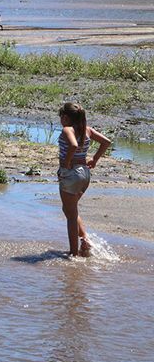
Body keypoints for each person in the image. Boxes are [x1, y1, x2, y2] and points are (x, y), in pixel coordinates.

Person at [56, 103, 112, 257]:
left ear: (65, 117)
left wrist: (67, 162)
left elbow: (73, 145)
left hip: (71, 174)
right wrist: (94, 159)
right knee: (70, 209)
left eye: (61, 117)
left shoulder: (67, 130)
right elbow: (106, 142)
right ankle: (85, 239)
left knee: (71, 215)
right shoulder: (87, 130)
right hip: (85, 174)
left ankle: (73, 254)